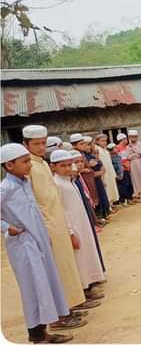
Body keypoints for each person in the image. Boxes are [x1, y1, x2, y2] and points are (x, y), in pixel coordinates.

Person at [1, 143, 74, 344]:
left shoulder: (25, 183)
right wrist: (7, 227)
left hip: (39, 240)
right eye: (25, 162)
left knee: (47, 284)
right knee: (33, 288)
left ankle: (44, 331)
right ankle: (35, 335)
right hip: (23, 245)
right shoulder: (4, 188)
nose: (29, 165)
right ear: (9, 165)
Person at [22, 127, 90, 329]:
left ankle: (68, 306)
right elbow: (33, 202)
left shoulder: (42, 163)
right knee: (56, 271)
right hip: (47, 226)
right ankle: (59, 316)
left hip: (59, 224)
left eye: (43, 143)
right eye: (36, 144)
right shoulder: (29, 168)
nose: (41, 147)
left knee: (67, 267)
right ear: (26, 144)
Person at [50, 150, 106, 297]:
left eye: (70, 165)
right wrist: (70, 232)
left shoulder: (70, 181)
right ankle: (83, 289)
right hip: (73, 227)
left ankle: (89, 284)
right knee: (78, 258)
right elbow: (61, 210)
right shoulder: (56, 184)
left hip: (81, 224)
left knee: (86, 254)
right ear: (53, 167)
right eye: (63, 166)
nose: (68, 168)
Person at [69, 150, 106, 268]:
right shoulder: (72, 179)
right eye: (76, 162)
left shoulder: (78, 177)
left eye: (81, 161)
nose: (79, 164)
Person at [111, 136, 134, 205]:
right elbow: (118, 160)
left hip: (128, 167)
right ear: (121, 140)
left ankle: (130, 198)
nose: (126, 140)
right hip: (122, 169)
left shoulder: (126, 147)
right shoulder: (117, 148)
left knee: (129, 183)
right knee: (124, 184)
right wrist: (124, 165)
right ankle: (123, 200)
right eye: (125, 139)